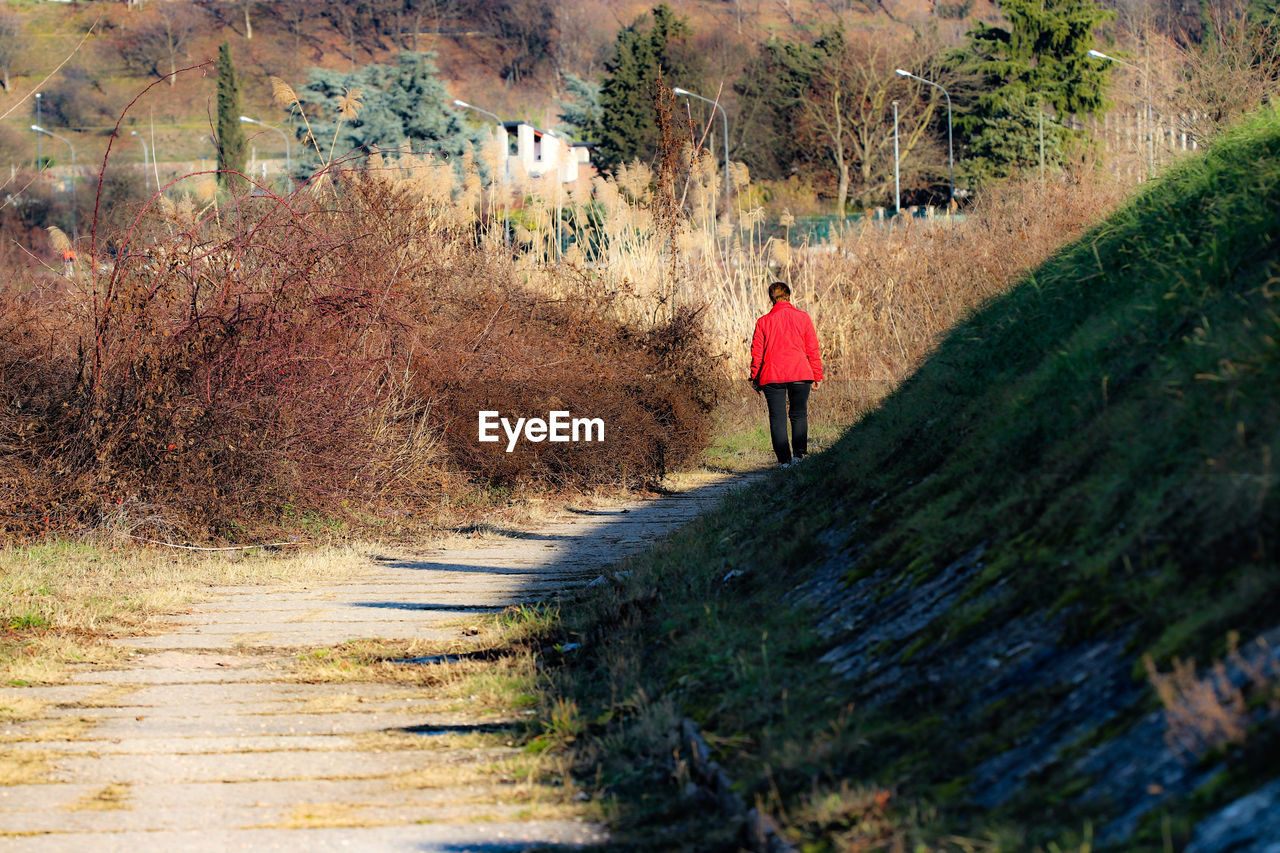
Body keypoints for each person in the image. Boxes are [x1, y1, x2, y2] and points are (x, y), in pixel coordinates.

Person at [749, 281, 823, 468]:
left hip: (772, 375)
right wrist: (817, 374)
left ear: (770, 298)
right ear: (789, 295)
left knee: (777, 418)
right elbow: (812, 348)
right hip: (800, 372)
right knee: (799, 414)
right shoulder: (803, 318)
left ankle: (784, 462)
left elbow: (757, 353)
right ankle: (799, 457)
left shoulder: (763, 322)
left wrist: (755, 377)